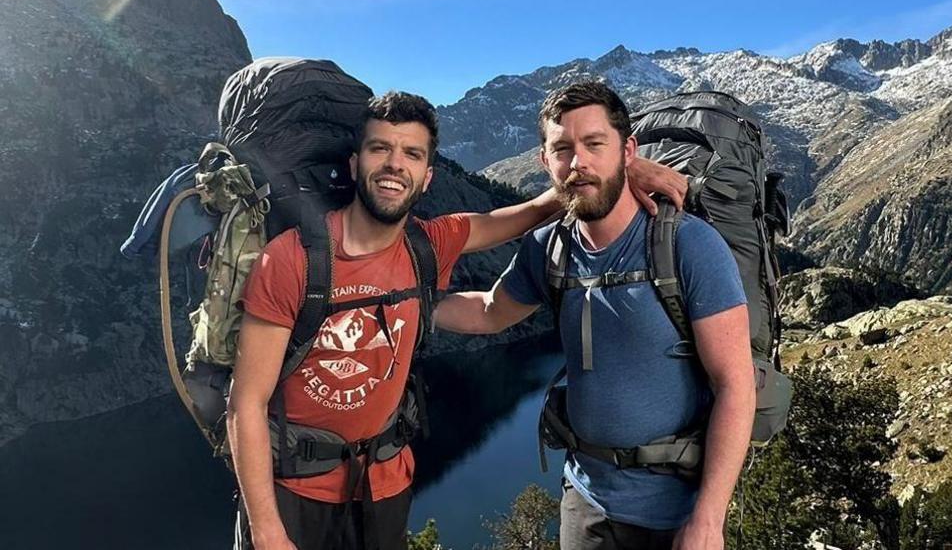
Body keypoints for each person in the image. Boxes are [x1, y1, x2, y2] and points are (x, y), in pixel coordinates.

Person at [227, 90, 687, 550]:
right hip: (294, 489)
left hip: (383, 487)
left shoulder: (427, 244)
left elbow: (526, 214)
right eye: (379, 148)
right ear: (354, 164)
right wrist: (266, 531)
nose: (394, 165)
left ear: (427, 177)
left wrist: (619, 173)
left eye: (411, 153)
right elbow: (245, 403)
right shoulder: (292, 259)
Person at [433, 81, 756, 550]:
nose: (578, 162)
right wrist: (407, 302)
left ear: (627, 151)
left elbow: (736, 384)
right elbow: (489, 312)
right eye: (562, 149)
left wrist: (708, 519)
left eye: (594, 144)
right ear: (545, 162)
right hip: (586, 504)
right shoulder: (549, 248)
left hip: (676, 510)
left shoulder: (687, 245)